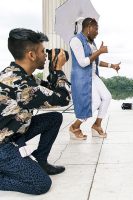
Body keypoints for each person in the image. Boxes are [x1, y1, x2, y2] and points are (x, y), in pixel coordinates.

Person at [0, 28, 70, 194]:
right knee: (41, 184)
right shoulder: (22, 86)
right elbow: (63, 99)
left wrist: (53, 71)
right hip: (3, 146)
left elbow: (51, 91)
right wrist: (59, 70)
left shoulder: (20, 76)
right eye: (42, 51)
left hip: (13, 132)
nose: (46, 55)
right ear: (31, 55)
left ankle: (40, 161)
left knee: (54, 118)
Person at [69, 18, 121, 140]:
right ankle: (74, 127)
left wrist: (111, 65)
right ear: (88, 28)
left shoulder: (91, 43)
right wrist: (99, 52)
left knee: (107, 97)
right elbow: (82, 63)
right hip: (82, 78)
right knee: (95, 102)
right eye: (96, 29)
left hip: (93, 76)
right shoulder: (76, 41)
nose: (97, 32)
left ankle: (96, 126)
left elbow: (95, 62)